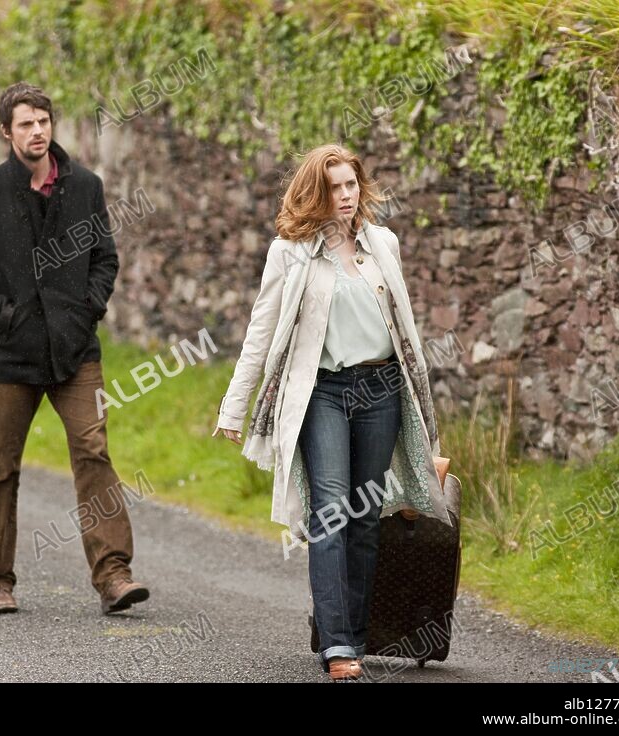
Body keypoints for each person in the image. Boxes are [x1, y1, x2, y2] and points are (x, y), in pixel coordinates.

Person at [212, 144, 446, 681]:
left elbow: (404, 331)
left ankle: (353, 636)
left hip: (382, 389)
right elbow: (261, 333)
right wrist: (234, 406)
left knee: (366, 518)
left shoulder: (384, 245)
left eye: (351, 185)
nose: (346, 196)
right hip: (323, 393)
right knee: (331, 512)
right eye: (334, 187)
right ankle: (337, 647)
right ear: (316, 194)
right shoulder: (289, 253)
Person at [0, 81, 149, 616]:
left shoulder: (85, 186)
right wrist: (6, 317)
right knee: (2, 466)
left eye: (44, 122)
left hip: (76, 352)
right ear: (6, 132)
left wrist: (87, 310)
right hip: (11, 359)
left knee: (93, 451)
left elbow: (104, 258)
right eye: (26, 124)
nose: (37, 132)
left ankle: (114, 576)